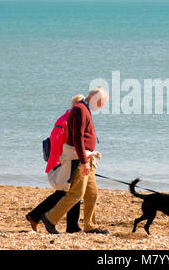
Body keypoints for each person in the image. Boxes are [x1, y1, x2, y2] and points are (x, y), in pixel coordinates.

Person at [41, 88, 109, 235]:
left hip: (87, 157)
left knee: (92, 193)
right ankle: (50, 218)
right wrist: (84, 162)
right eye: (102, 102)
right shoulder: (80, 109)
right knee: (76, 193)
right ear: (95, 98)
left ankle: (90, 226)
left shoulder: (84, 109)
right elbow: (77, 138)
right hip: (79, 159)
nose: (102, 106)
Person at [26, 94, 86, 233]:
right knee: (64, 193)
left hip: (72, 160)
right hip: (65, 161)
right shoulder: (64, 122)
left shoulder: (72, 119)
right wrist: (59, 162)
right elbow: (56, 143)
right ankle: (35, 216)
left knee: (73, 191)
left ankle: (72, 226)